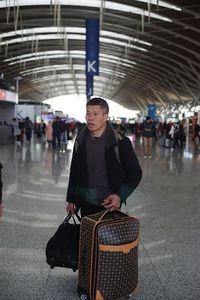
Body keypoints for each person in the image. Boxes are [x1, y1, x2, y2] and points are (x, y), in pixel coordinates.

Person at [66, 97, 142, 299]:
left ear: (105, 116)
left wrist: (120, 195)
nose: (89, 118)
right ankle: (87, 286)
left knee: (109, 248)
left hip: (110, 205)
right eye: (88, 113)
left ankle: (114, 283)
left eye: (95, 114)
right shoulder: (81, 140)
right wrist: (72, 198)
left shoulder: (119, 142)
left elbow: (136, 173)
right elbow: (75, 171)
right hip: (87, 202)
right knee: (87, 247)